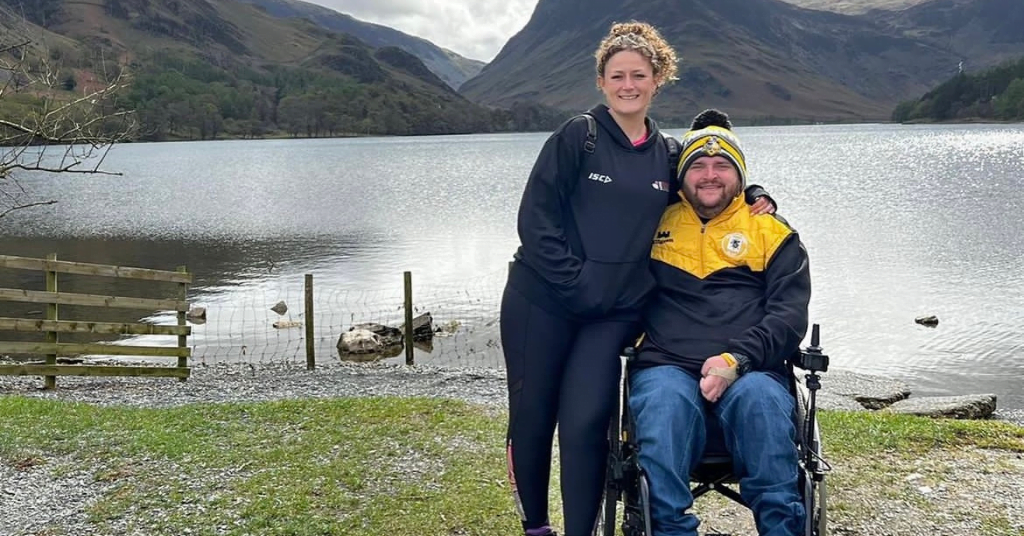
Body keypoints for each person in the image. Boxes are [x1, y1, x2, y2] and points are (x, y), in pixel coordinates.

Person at [500, 22, 775, 536]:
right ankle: (535, 527)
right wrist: (578, 284)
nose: (628, 85)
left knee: (585, 425)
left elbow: (707, 181)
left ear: (657, 80)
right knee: (534, 419)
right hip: (542, 303)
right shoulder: (576, 137)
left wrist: (755, 189)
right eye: (617, 75)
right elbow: (535, 223)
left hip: (612, 316)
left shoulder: (667, 154)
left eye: (639, 75)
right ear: (602, 82)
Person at [628, 108, 812, 536]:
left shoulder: (771, 231)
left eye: (722, 165)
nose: (710, 175)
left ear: (741, 176)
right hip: (665, 364)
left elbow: (788, 316)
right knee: (661, 405)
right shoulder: (651, 223)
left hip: (750, 369)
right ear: (681, 176)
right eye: (699, 166)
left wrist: (736, 361)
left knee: (762, 405)